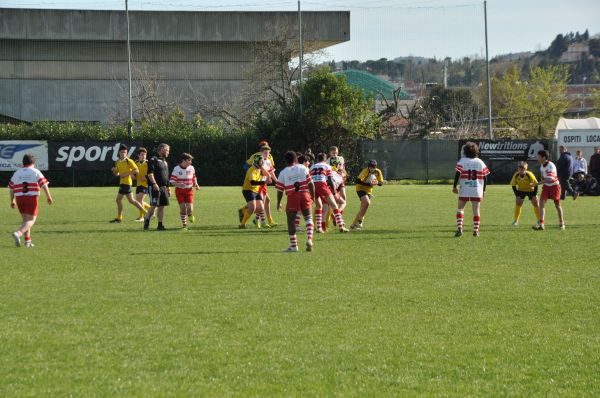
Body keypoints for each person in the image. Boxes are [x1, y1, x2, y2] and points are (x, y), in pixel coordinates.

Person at [8, 154, 53, 248]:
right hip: (31, 198)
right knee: (31, 220)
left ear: (23, 163)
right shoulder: (35, 171)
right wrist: (49, 196)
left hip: (19, 198)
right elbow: (44, 184)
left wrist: (12, 201)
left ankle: (27, 242)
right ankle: (18, 233)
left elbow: (11, 188)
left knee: (25, 221)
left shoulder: (17, 173)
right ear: (33, 163)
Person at [276, 151, 316, 252]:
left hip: (292, 197)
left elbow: (280, 190)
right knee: (308, 218)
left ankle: (294, 246)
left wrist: (278, 202)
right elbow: (311, 184)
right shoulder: (303, 168)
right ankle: (310, 239)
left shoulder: (283, 172)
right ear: (296, 159)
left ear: (286, 161)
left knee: (291, 221)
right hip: (305, 195)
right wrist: (313, 196)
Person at [452, 142, 489, 237]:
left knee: (460, 208)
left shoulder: (462, 161)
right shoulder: (480, 162)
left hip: (465, 188)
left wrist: (454, 186)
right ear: (476, 151)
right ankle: (475, 230)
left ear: (465, 151)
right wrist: (484, 190)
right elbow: (485, 177)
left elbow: (457, 174)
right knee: (476, 210)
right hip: (477, 189)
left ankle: (459, 227)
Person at [310, 152, 349, 233]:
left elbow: (309, 178)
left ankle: (320, 228)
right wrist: (334, 192)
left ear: (318, 159)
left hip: (312, 186)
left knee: (319, 206)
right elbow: (330, 180)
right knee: (334, 205)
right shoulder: (327, 166)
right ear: (325, 159)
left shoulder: (312, 166)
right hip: (322, 184)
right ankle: (341, 226)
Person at [110, 144, 147, 223]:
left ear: (126, 153)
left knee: (119, 199)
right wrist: (114, 170)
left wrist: (126, 174)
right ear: (119, 153)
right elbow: (117, 174)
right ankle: (145, 213)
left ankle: (119, 218)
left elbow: (136, 170)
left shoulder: (129, 161)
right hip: (122, 183)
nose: (123, 153)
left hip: (127, 183)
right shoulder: (117, 162)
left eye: (125, 152)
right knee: (131, 200)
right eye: (122, 152)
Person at [533, 150, 566, 230]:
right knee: (541, 203)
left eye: (538, 156)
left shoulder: (551, 165)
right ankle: (541, 223)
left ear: (544, 157)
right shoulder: (542, 165)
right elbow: (544, 178)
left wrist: (536, 184)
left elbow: (549, 179)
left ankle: (562, 223)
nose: (537, 158)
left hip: (555, 187)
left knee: (557, 205)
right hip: (546, 187)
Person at [350, 159, 384, 230]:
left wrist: (377, 183)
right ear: (368, 166)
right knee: (367, 202)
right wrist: (369, 184)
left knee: (363, 207)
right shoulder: (365, 171)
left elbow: (381, 183)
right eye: (370, 167)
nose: (371, 168)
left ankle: (353, 225)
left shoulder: (378, 171)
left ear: (375, 167)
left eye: (373, 167)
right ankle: (360, 221)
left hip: (369, 191)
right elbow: (358, 181)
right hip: (360, 189)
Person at [143, 143, 171, 231]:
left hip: (163, 188)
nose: (168, 152)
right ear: (162, 149)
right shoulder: (153, 159)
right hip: (154, 186)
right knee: (154, 205)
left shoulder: (165, 162)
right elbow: (150, 173)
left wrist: (168, 188)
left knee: (162, 206)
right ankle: (146, 220)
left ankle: (160, 224)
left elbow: (166, 176)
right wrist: (154, 184)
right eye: (167, 150)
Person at [239, 155, 271, 229]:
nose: (262, 162)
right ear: (257, 162)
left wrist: (268, 177)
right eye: (261, 161)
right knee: (252, 208)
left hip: (256, 190)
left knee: (260, 208)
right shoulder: (252, 170)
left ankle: (244, 210)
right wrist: (264, 182)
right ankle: (242, 224)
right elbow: (253, 182)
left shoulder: (259, 168)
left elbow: (267, 174)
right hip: (248, 190)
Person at [170, 153, 200, 229]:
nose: (190, 162)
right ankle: (184, 225)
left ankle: (190, 214)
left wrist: (196, 184)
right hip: (179, 191)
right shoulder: (176, 169)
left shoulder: (191, 168)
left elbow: (194, 177)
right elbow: (172, 181)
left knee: (190, 208)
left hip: (189, 190)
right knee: (183, 208)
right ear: (184, 160)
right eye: (189, 160)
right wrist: (179, 185)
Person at [509, 161, 540, 226]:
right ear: (518, 169)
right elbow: (513, 185)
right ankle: (515, 221)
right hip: (521, 190)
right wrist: (517, 195)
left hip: (531, 190)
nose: (521, 170)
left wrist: (534, 195)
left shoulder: (529, 174)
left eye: (523, 169)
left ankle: (539, 220)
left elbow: (536, 184)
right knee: (518, 203)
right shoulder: (516, 175)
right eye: (520, 169)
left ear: (526, 169)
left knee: (536, 203)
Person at [134, 147, 151, 221]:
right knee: (138, 201)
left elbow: (152, 173)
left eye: (145, 154)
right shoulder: (136, 162)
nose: (143, 156)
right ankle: (151, 208)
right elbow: (133, 171)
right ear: (139, 155)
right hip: (138, 184)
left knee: (139, 200)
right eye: (142, 154)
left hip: (146, 185)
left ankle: (142, 217)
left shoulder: (148, 163)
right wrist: (132, 175)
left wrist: (146, 177)